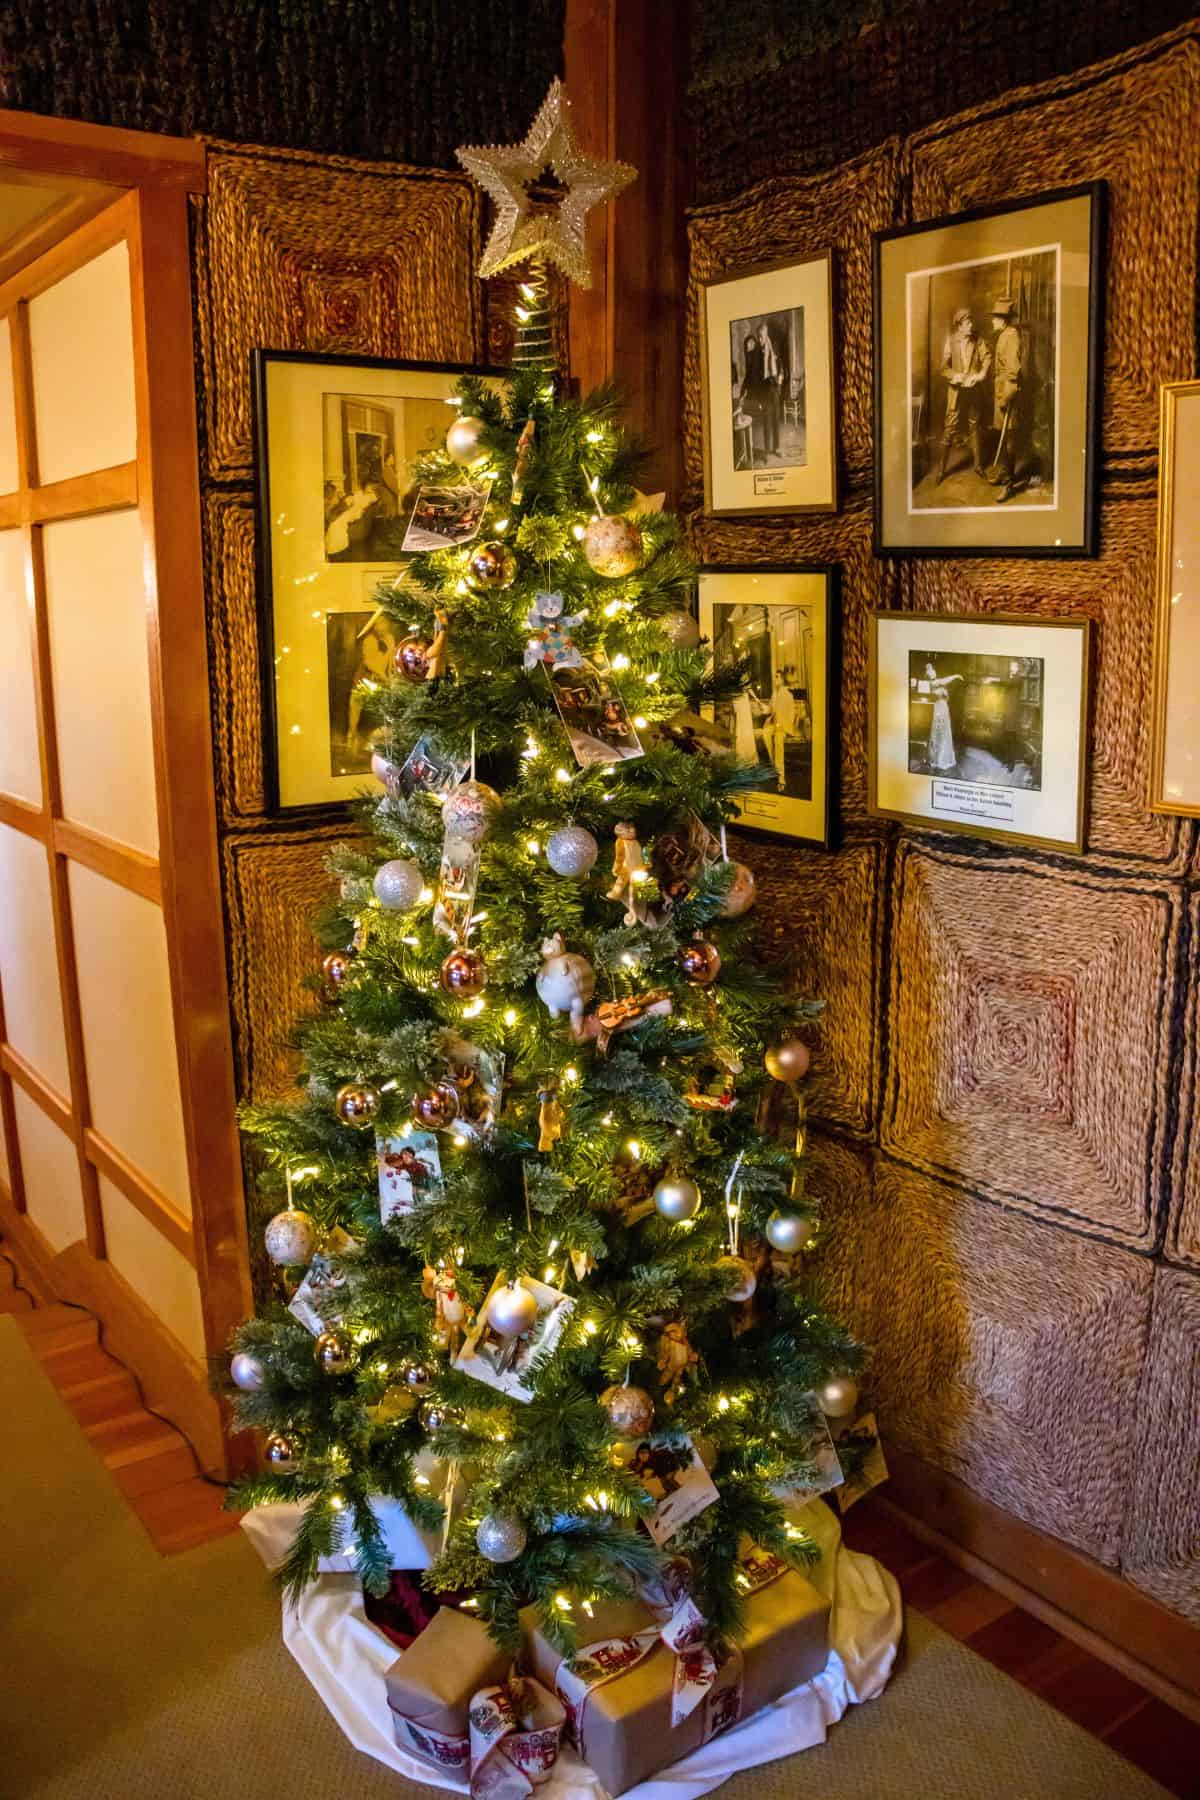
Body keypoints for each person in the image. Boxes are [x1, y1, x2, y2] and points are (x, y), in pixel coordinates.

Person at [936, 305, 991, 484]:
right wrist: (957, 376)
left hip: (973, 389)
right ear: (959, 325)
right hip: (956, 390)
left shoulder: (978, 340)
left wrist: (981, 375)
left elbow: (987, 357)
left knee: (975, 426)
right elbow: (943, 368)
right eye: (967, 322)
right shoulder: (950, 341)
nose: (971, 325)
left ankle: (978, 466)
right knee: (949, 428)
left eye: (971, 321)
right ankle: (941, 471)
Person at [989, 296, 1024, 502]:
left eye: (995, 318)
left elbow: (1014, 373)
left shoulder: (1011, 337)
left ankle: (1010, 484)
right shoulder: (1004, 335)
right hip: (1000, 391)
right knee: (1002, 434)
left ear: (1003, 319)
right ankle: (1003, 472)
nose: (992, 321)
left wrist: (1006, 398)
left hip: (1007, 394)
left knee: (1009, 438)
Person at [923, 661, 963, 772]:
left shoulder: (937, 683)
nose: (933, 673)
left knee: (943, 732)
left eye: (933, 671)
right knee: (939, 732)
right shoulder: (934, 683)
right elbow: (945, 680)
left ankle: (941, 757)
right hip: (939, 708)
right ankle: (938, 759)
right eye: (930, 673)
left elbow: (945, 693)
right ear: (928, 676)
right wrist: (956, 676)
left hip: (942, 708)